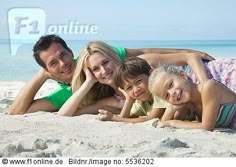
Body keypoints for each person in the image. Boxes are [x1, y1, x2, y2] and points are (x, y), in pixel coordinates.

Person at [8, 34, 214, 115]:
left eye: (64, 54)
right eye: (53, 63)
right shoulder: (72, 92)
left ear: (71, 52)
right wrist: (40, 76)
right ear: (47, 69)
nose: (63, 63)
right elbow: (16, 113)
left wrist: (194, 53)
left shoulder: (100, 57)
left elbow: (144, 52)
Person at [58, 41, 211, 116]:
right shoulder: (112, 100)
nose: (104, 71)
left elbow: (189, 57)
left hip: (206, 77)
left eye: (106, 62)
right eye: (95, 69)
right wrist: (88, 82)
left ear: (114, 57)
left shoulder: (142, 64)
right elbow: (63, 115)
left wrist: (205, 86)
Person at [148, 65, 236, 131]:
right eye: (167, 95)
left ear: (183, 75)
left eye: (171, 84)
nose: (172, 93)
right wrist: (171, 109)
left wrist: (172, 123)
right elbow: (163, 124)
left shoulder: (209, 87)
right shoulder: (187, 104)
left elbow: (207, 127)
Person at [98, 57, 166, 123]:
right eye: (129, 88)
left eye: (139, 81)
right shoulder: (141, 101)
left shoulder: (159, 92)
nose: (136, 90)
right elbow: (124, 118)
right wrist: (129, 100)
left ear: (151, 74)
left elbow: (150, 119)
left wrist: (113, 118)